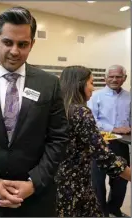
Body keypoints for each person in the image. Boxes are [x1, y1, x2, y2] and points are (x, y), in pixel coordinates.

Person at [0, 7, 69, 217]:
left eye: (23, 44)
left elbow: (58, 138)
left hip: (36, 196)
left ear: (32, 44)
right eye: (8, 42)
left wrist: (34, 182)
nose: (15, 51)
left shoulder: (49, 84)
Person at [56, 65, 131, 217]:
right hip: (77, 183)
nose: (93, 87)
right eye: (91, 82)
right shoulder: (81, 112)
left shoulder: (59, 109)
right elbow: (104, 157)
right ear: (80, 84)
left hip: (60, 182)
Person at [87, 65, 131, 217]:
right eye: (111, 76)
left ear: (124, 78)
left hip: (123, 145)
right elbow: (91, 119)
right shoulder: (96, 96)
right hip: (99, 143)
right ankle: (101, 212)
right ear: (105, 78)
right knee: (98, 181)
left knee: (121, 180)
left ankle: (114, 209)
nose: (114, 79)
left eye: (118, 76)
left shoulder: (129, 97)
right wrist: (113, 128)